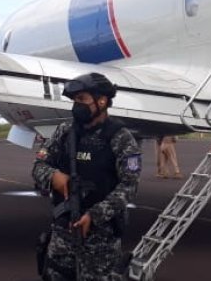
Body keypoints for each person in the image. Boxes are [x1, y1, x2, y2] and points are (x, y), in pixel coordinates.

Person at [32, 73, 141, 281]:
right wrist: (54, 176)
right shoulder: (65, 132)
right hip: (63, 234)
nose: (76, 105)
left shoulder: (121, 138)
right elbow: (39, 165)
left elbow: (129, 186)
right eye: (74, 100)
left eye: (82, 99)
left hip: (101, 242)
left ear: (102, 101)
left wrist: (94, 215)